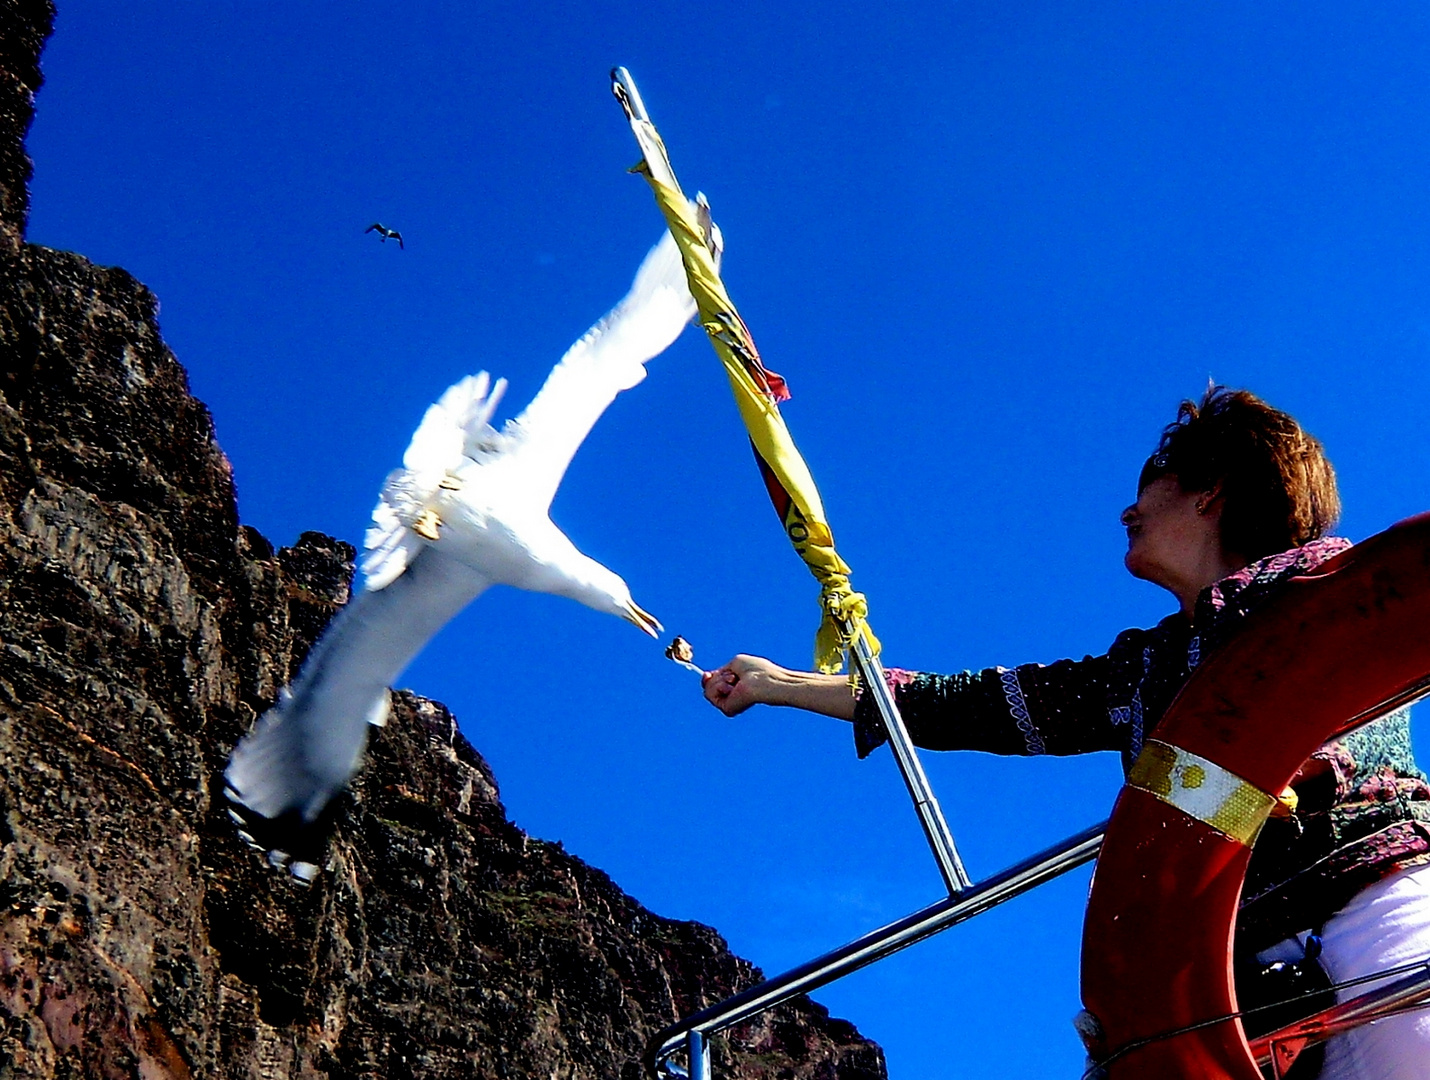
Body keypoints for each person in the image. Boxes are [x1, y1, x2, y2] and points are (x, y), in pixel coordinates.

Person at [702, 387, 1430, 1079]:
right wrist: (780, 685)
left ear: (1208, 491)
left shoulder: (1325, 586)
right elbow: (970, 703)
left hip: (1372, 897)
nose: (1127, 509)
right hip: (1236, 976)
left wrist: (1270, 771)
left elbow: (1334, 685)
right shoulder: (1140, 671)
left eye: (1152, 486)